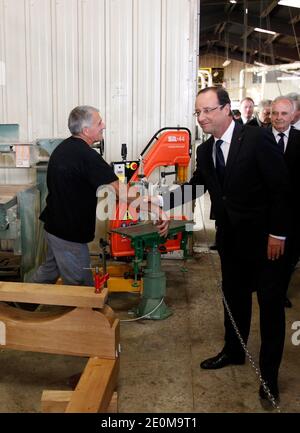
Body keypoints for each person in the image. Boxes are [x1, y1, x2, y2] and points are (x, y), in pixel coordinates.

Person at [163, 87, 290, 403]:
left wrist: (278, 234)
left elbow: (282, 189)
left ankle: (269, 377)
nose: (201, 117)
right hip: (230, 242)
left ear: (225, 109)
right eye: (197, 112)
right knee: (233, 300)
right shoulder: (206, 151)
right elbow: (196, 186)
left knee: (270, 307)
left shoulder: (258, 139)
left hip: (265, 242)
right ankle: (234, 351)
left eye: (206, 111)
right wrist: (159, 203)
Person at [32, 105, 168, 287]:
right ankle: (84, 314)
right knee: (82, 287)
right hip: (68, 235)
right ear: (86, 130)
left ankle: (21, 303)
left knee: (48, 272)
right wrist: (154, 209)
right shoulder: (86, 155)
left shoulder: (63, 148)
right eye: (99, 123)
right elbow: (120, 191)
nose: (103, 125)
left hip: (54, 227)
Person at [270, 96, 300, 308]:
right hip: (266, 212)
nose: (278, 118)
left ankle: (279, 292)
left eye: (283, 113)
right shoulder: (259, 137)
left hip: (295, 213)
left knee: (289, 257)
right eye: (275, 113)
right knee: (268, 257)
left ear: (293, 116)